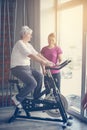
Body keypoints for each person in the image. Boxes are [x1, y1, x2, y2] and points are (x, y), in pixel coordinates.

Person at [10, 26, 55, 108]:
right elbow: (30, 55)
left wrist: (48, 61)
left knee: (40, 76)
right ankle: (17, 98)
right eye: (30, 34)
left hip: (27, 67)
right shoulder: (19, 43)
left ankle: (36, 98)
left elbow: (37, 54)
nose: (31, 36)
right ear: (25, 34)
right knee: (32, 83)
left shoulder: (28, 45)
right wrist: (43, 62)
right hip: (17, 68)